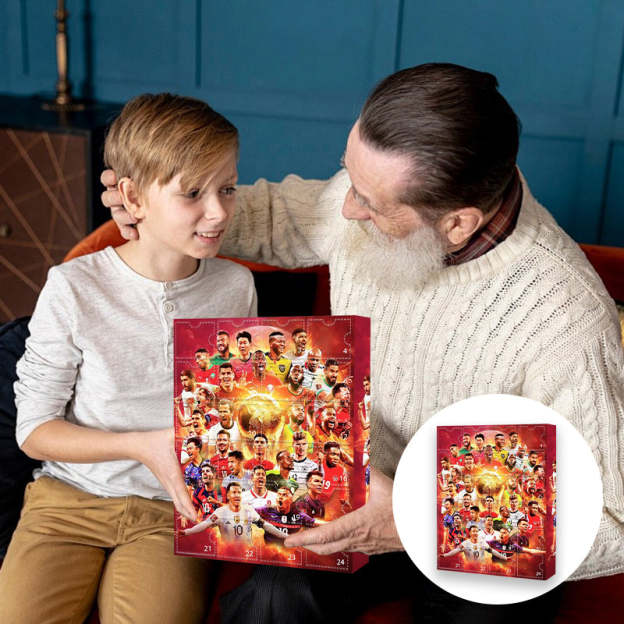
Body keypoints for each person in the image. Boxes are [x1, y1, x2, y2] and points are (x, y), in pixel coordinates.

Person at [103, 64, 624, 620]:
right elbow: (276, 216)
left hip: (484, 523)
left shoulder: (567, 319)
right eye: (347, 176)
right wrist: (162, 211)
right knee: (274, 597)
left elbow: (614, 523)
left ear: (457, 224)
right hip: (353, 484)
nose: (347, 208)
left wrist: (415, 521)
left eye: (369, 203)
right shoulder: (371, 197)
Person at [1, 93, 257, 623]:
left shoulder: (236, 287)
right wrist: (142, 446)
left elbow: (234, 413)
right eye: (193, 193)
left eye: (228, 188)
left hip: (171, 511)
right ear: (133, 197)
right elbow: (33, 431)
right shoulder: (73, 286)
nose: (218, 212)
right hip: (66, 499)